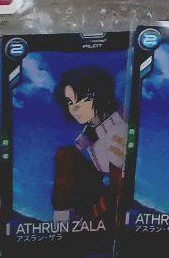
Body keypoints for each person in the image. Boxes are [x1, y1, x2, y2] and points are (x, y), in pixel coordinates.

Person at [51, 66, 126, 224]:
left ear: (100, 95)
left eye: (83, 99)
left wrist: (94, 212)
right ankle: (62, 220)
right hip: (99, 188)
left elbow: (118, 185)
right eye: (70, 102)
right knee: (65, 154)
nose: (74, 108)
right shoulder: (92, 127)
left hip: (114, 197)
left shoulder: (118, 129)